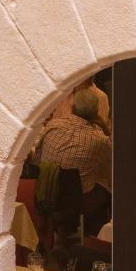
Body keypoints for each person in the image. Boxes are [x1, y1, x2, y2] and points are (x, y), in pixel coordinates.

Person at [35, 89, 112, 237]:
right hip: (78, 200)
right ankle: (97, 237)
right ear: (96, 113)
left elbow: (38, 157)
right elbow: (112, 166)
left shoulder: (53, 125)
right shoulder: (99, 140)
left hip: (45, 190)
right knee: (106, 187)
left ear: (72, 107)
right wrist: (105, 129)